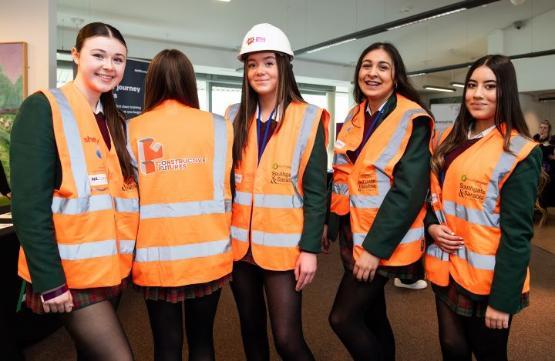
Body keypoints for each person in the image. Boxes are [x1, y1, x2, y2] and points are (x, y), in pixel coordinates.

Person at [10, 22, 138, 360]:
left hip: (109, 269)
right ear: (76, 55)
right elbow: (29, 206)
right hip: (70, 273)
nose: (109, 67)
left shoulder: (114, 121)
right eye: (99, 55)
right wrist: (50, 282)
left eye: (118, 59)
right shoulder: (43, 108)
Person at [425, 54, 541, 361]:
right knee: (452, 348)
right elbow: (433, 195)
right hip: (446, 266)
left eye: (490, 86)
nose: (478, 94)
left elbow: (518, 234)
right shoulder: (451, 137)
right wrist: (431, 226)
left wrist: (503, 300)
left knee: (489, 354)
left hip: (488, 279)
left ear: (506, 92)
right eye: (472, 85)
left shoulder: (519, 150)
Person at [225, 23, 329, 361]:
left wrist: (310, 249)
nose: (259, 71)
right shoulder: (234, 116)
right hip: (240, 249)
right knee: (250, 332)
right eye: (252, 64)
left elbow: (316, 192)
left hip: (284, 249)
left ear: (283, 65)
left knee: (287, 340)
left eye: (268, 62)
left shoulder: (308, 118)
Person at [327, 42, 433, 361]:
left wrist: (374, 250)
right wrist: (332, 225)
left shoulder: (412, 118)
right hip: (354, 232)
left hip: (385, 242)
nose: (372, 73)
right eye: (366, 65)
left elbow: (409, 192)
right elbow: (344, 174)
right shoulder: (355, 114)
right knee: (372, 316)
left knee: (342, 318)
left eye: (382, 67)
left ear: (396, 76)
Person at [127, 49, 233, 361]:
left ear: (151, 82)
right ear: (190, 81)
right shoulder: (219, 126)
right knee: (203, 343)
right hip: (208, 254)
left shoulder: (131, 129)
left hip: (155, 256)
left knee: (166, 346)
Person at [533, 120, 555, 208]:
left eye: (545, 128)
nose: (543, 130)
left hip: (546, 168)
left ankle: (540, 204)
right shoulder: (535, 139)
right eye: (541, 127)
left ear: (549, 130)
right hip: (535, 166)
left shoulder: (551, 142)